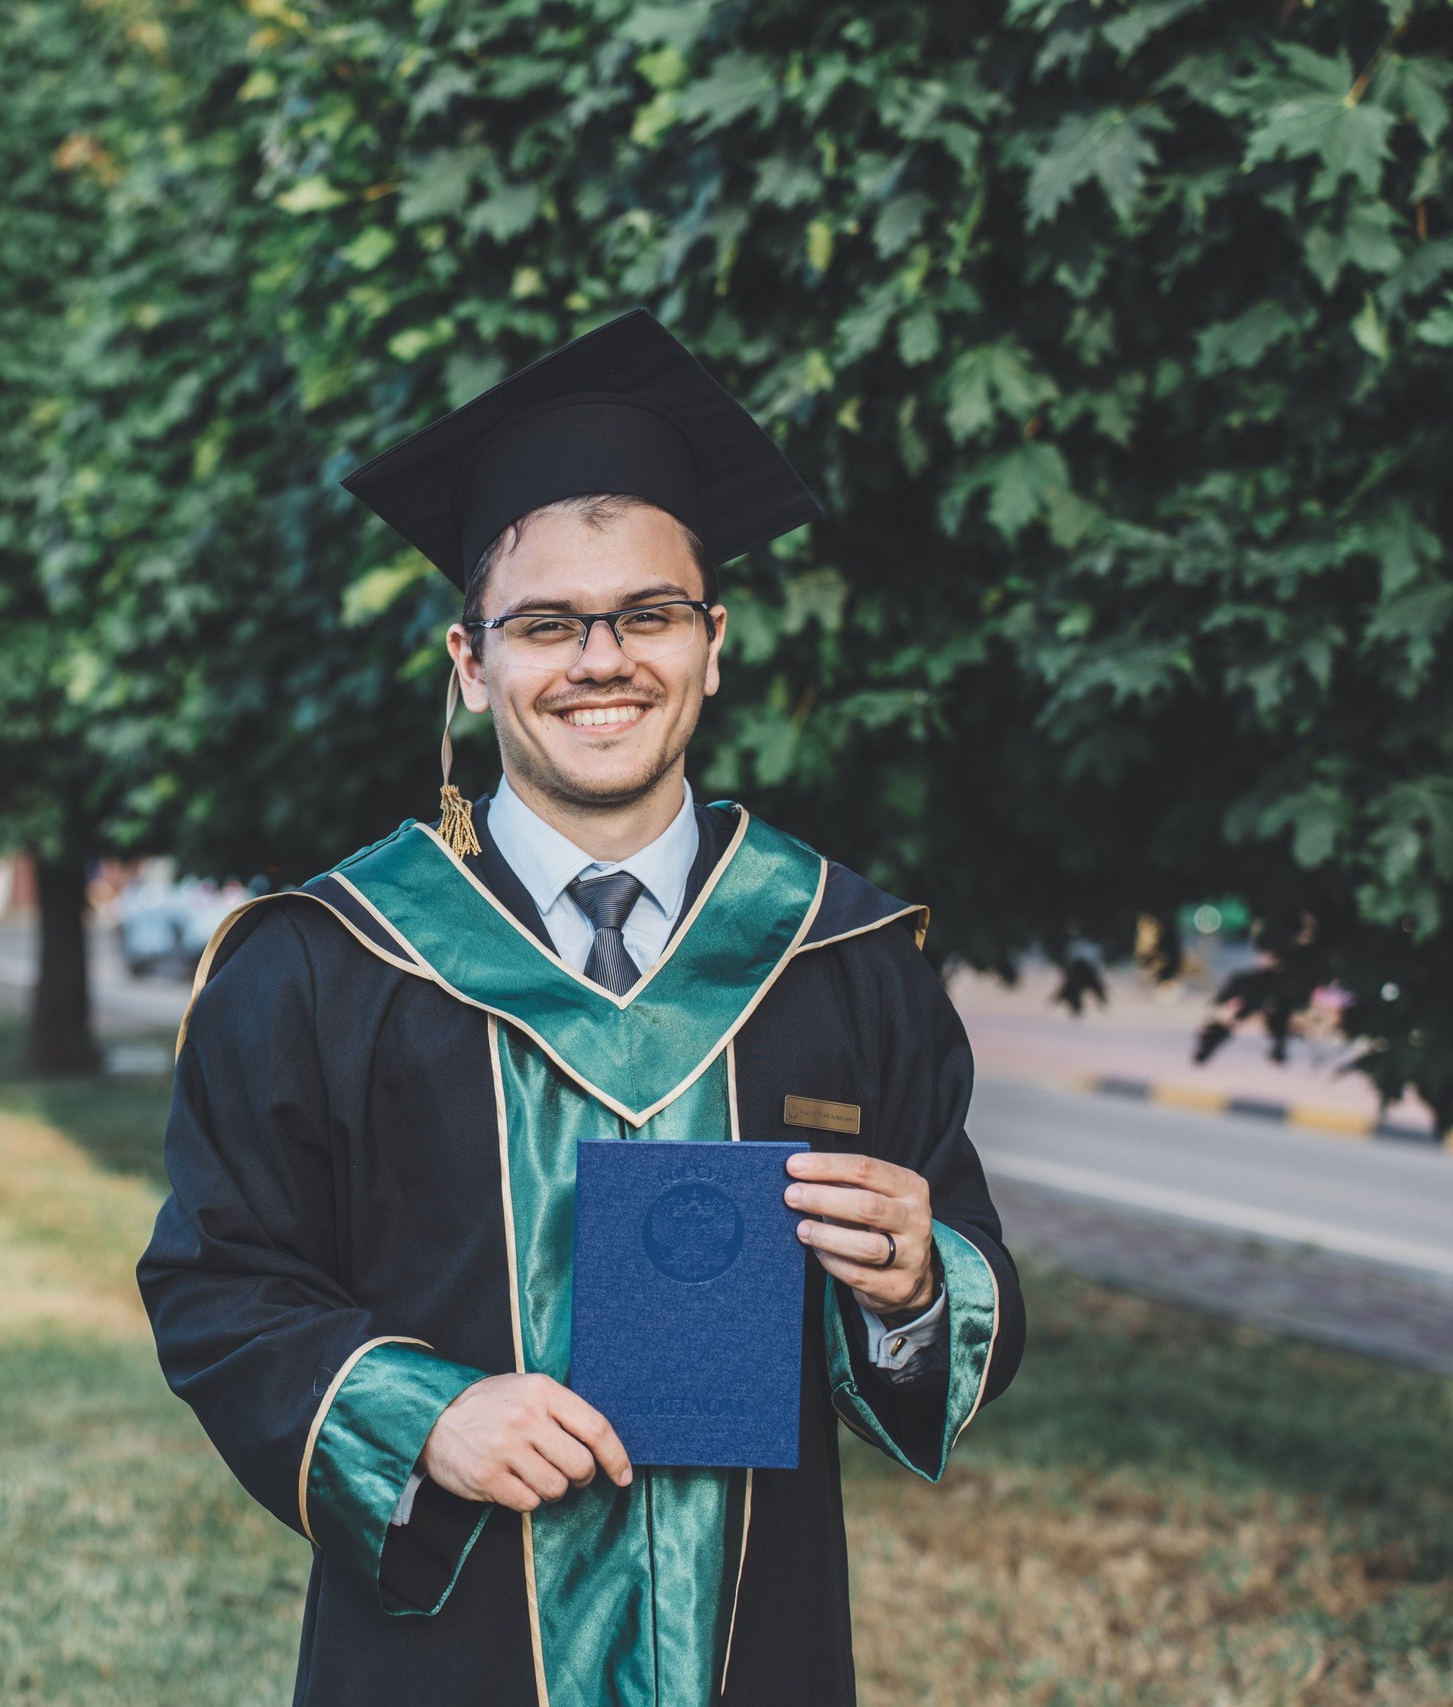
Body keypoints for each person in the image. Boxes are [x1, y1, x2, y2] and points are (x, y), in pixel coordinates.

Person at [139, 311, 1025, 1707]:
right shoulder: (322, 964)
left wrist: (920, 1284)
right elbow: (218, 1284)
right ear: (470, 663)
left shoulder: (841, 953)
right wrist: (421, 1414)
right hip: (446, 1653)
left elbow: (959, 1265)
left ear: (711, 645)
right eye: (547, 623)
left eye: (648, 614)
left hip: (760, 1651)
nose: (601, 659)